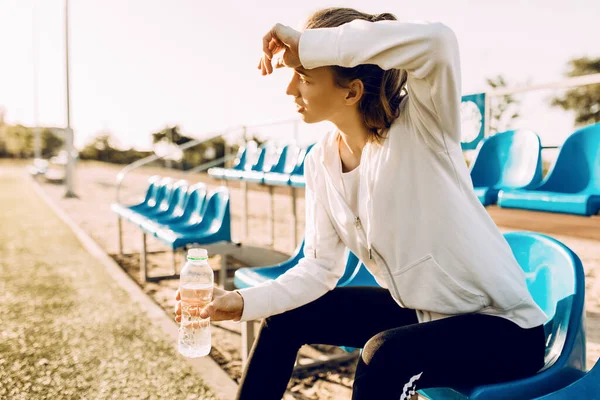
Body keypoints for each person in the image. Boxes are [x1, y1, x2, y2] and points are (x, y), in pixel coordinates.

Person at [175, 7, 548, 400]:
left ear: (352, 91)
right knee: (282, 320)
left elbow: (437, 42)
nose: (290, 91)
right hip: (424, 313)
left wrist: (308, 44)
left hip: (504, 329)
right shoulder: (320, 160)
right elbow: (319, 269)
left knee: (384, 355)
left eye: (303, 77)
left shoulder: (424, 126)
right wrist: (240, 302)